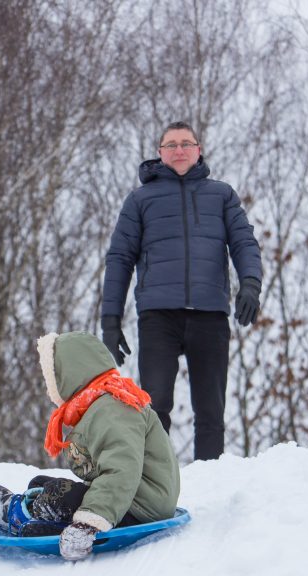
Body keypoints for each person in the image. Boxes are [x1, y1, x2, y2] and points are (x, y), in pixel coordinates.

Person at [101, 121, 262, 461]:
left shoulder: (221, 195)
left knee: (211, 410)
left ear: (198, 149)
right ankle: (156, 481)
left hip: (210, 315)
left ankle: (211, 479)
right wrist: (110, 321)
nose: (179, 150)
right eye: (171, 144)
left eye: (186, 143)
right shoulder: (140, 199)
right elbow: (119, 258)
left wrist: (250, 282)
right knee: (155, 405)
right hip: (159, 316)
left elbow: (244, 241)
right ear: (159, 154)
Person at [0, 331, 180, 561]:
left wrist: (88, 524)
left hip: (139, 508)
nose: (49, 388)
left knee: (59, 495)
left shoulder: (114, 408)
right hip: (129, 500)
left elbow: (121, 470)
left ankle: (25, 516)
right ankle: (38, 510)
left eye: (51, 378)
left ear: (70, 376)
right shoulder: (99, 407)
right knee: (42, 483)